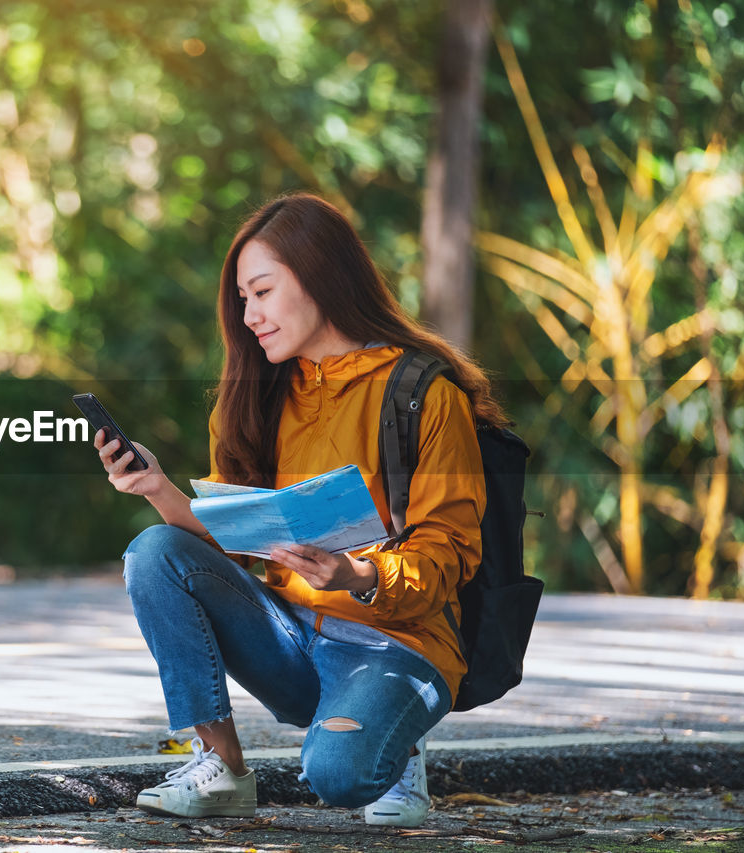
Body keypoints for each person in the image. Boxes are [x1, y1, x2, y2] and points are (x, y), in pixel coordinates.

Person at [91, 192, 506, 826]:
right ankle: (222, 765)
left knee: (341, 778)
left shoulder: (423, 395)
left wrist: (355, 574)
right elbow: (230, 543)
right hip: (291, 637)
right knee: (155, 551)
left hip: (397, 644)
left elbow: (448, 554)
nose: (249, 314)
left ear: (319, 277)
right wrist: (158, 489)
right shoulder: (255, 396)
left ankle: (394, 738)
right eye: (242, 299)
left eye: (262, 291)